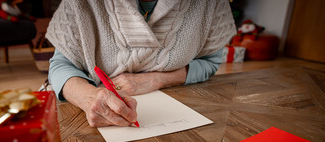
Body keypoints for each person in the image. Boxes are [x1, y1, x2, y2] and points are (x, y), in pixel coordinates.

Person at [46, 0, 236, 127]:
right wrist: (89, 98)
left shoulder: (211, 4)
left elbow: (210, 62)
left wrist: (156, 79)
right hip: (88, 116)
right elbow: (60, 66)